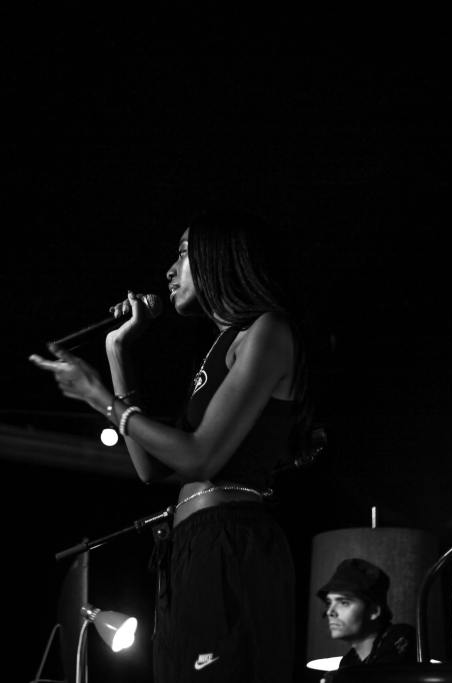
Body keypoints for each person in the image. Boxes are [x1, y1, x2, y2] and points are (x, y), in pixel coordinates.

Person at [29, 208, 309, 682]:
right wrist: (117, 353)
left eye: (182, 253)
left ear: (218, 258)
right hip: (191, 544)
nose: (169, 270)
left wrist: (98, 397)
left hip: (231, 543)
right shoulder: (221, 346)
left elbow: (200, 456)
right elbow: (150, 468)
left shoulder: (268, 330)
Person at [316, 558, 415, 680]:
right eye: (329, 602)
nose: (330, 612)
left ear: (374, 611)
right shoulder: (349, 661)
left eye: (344, 602)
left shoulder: (399, 637)